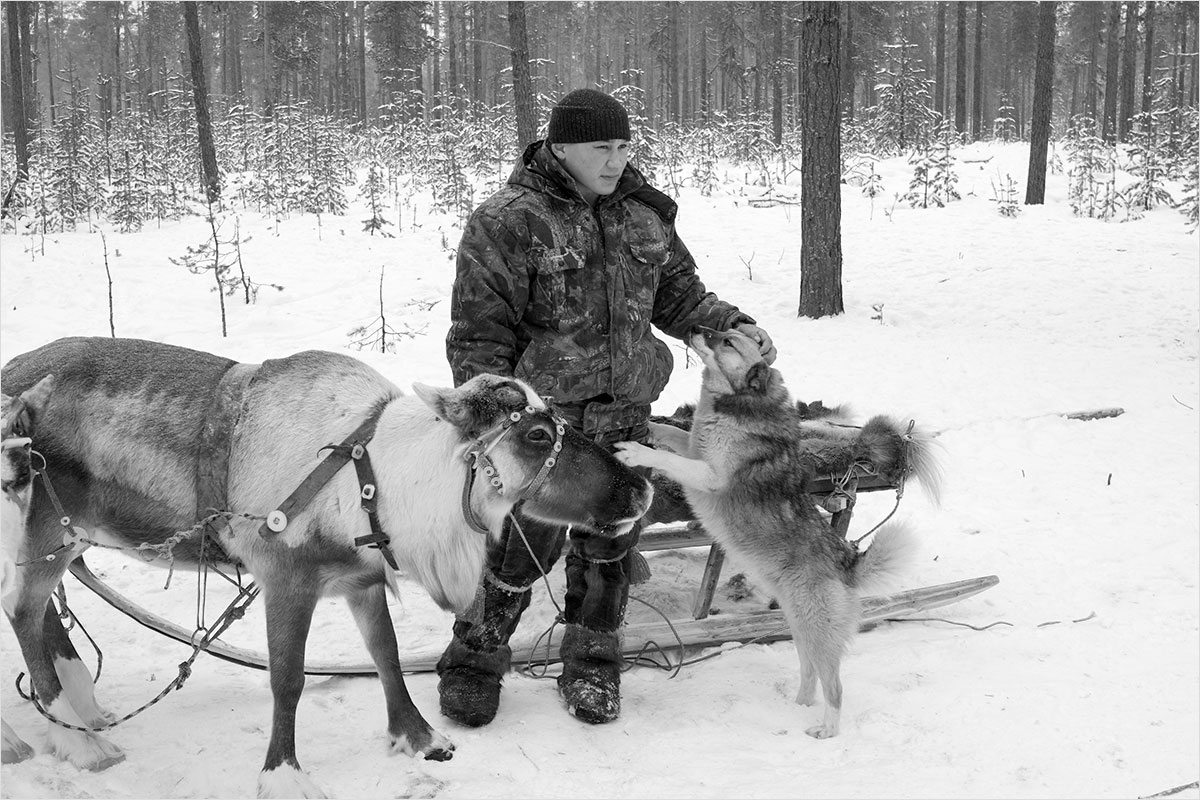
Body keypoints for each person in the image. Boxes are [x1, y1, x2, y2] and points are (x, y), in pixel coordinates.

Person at [439, 87, 776, 727]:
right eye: (602, 147)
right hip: (548, 431)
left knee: (611, 549)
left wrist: (732, 325)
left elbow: (680, 298)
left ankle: (593, 662)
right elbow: (479, 336)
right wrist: (500, 425)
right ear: (560, 147)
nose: (617, 158)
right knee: (520, 549)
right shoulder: (509, 220)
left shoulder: (643, 215)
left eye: (624, 145)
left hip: (624, 416)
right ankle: (475, 661)